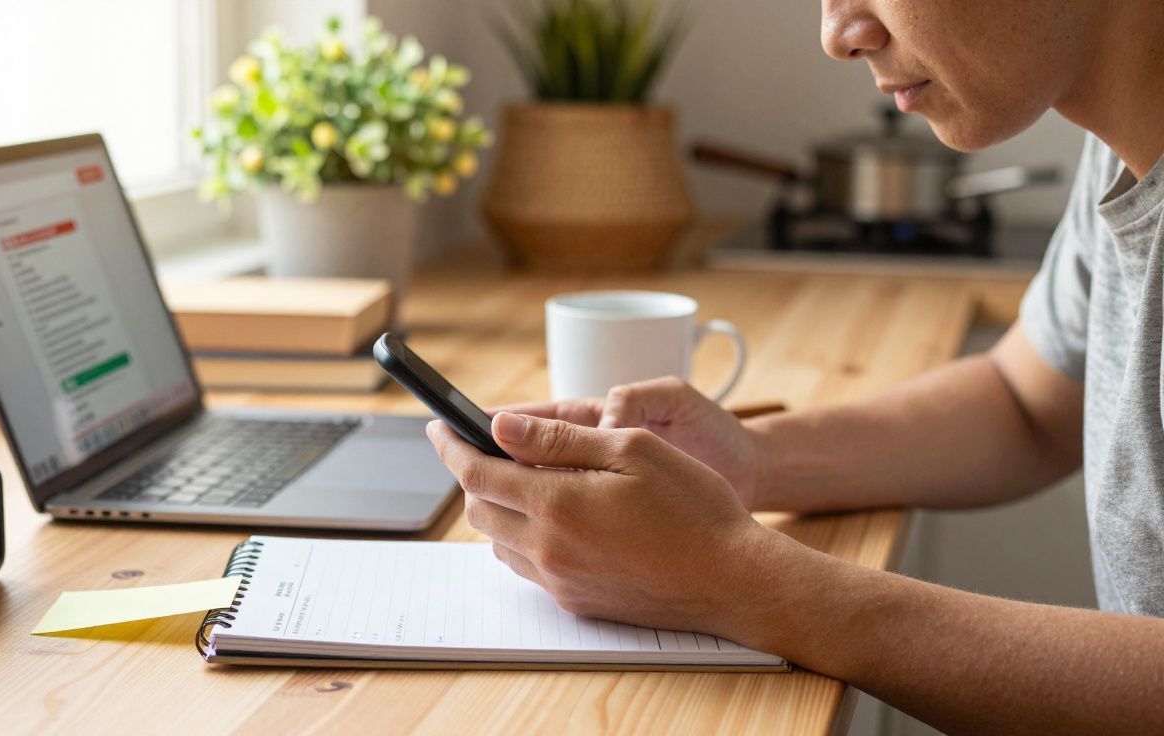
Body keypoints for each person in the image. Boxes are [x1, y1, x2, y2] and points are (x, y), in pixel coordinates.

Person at [426, 1, 1164, 732]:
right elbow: (1027, 403)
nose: (839, 34)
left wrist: (741, 584)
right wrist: (751, 460)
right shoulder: (1120, 145)